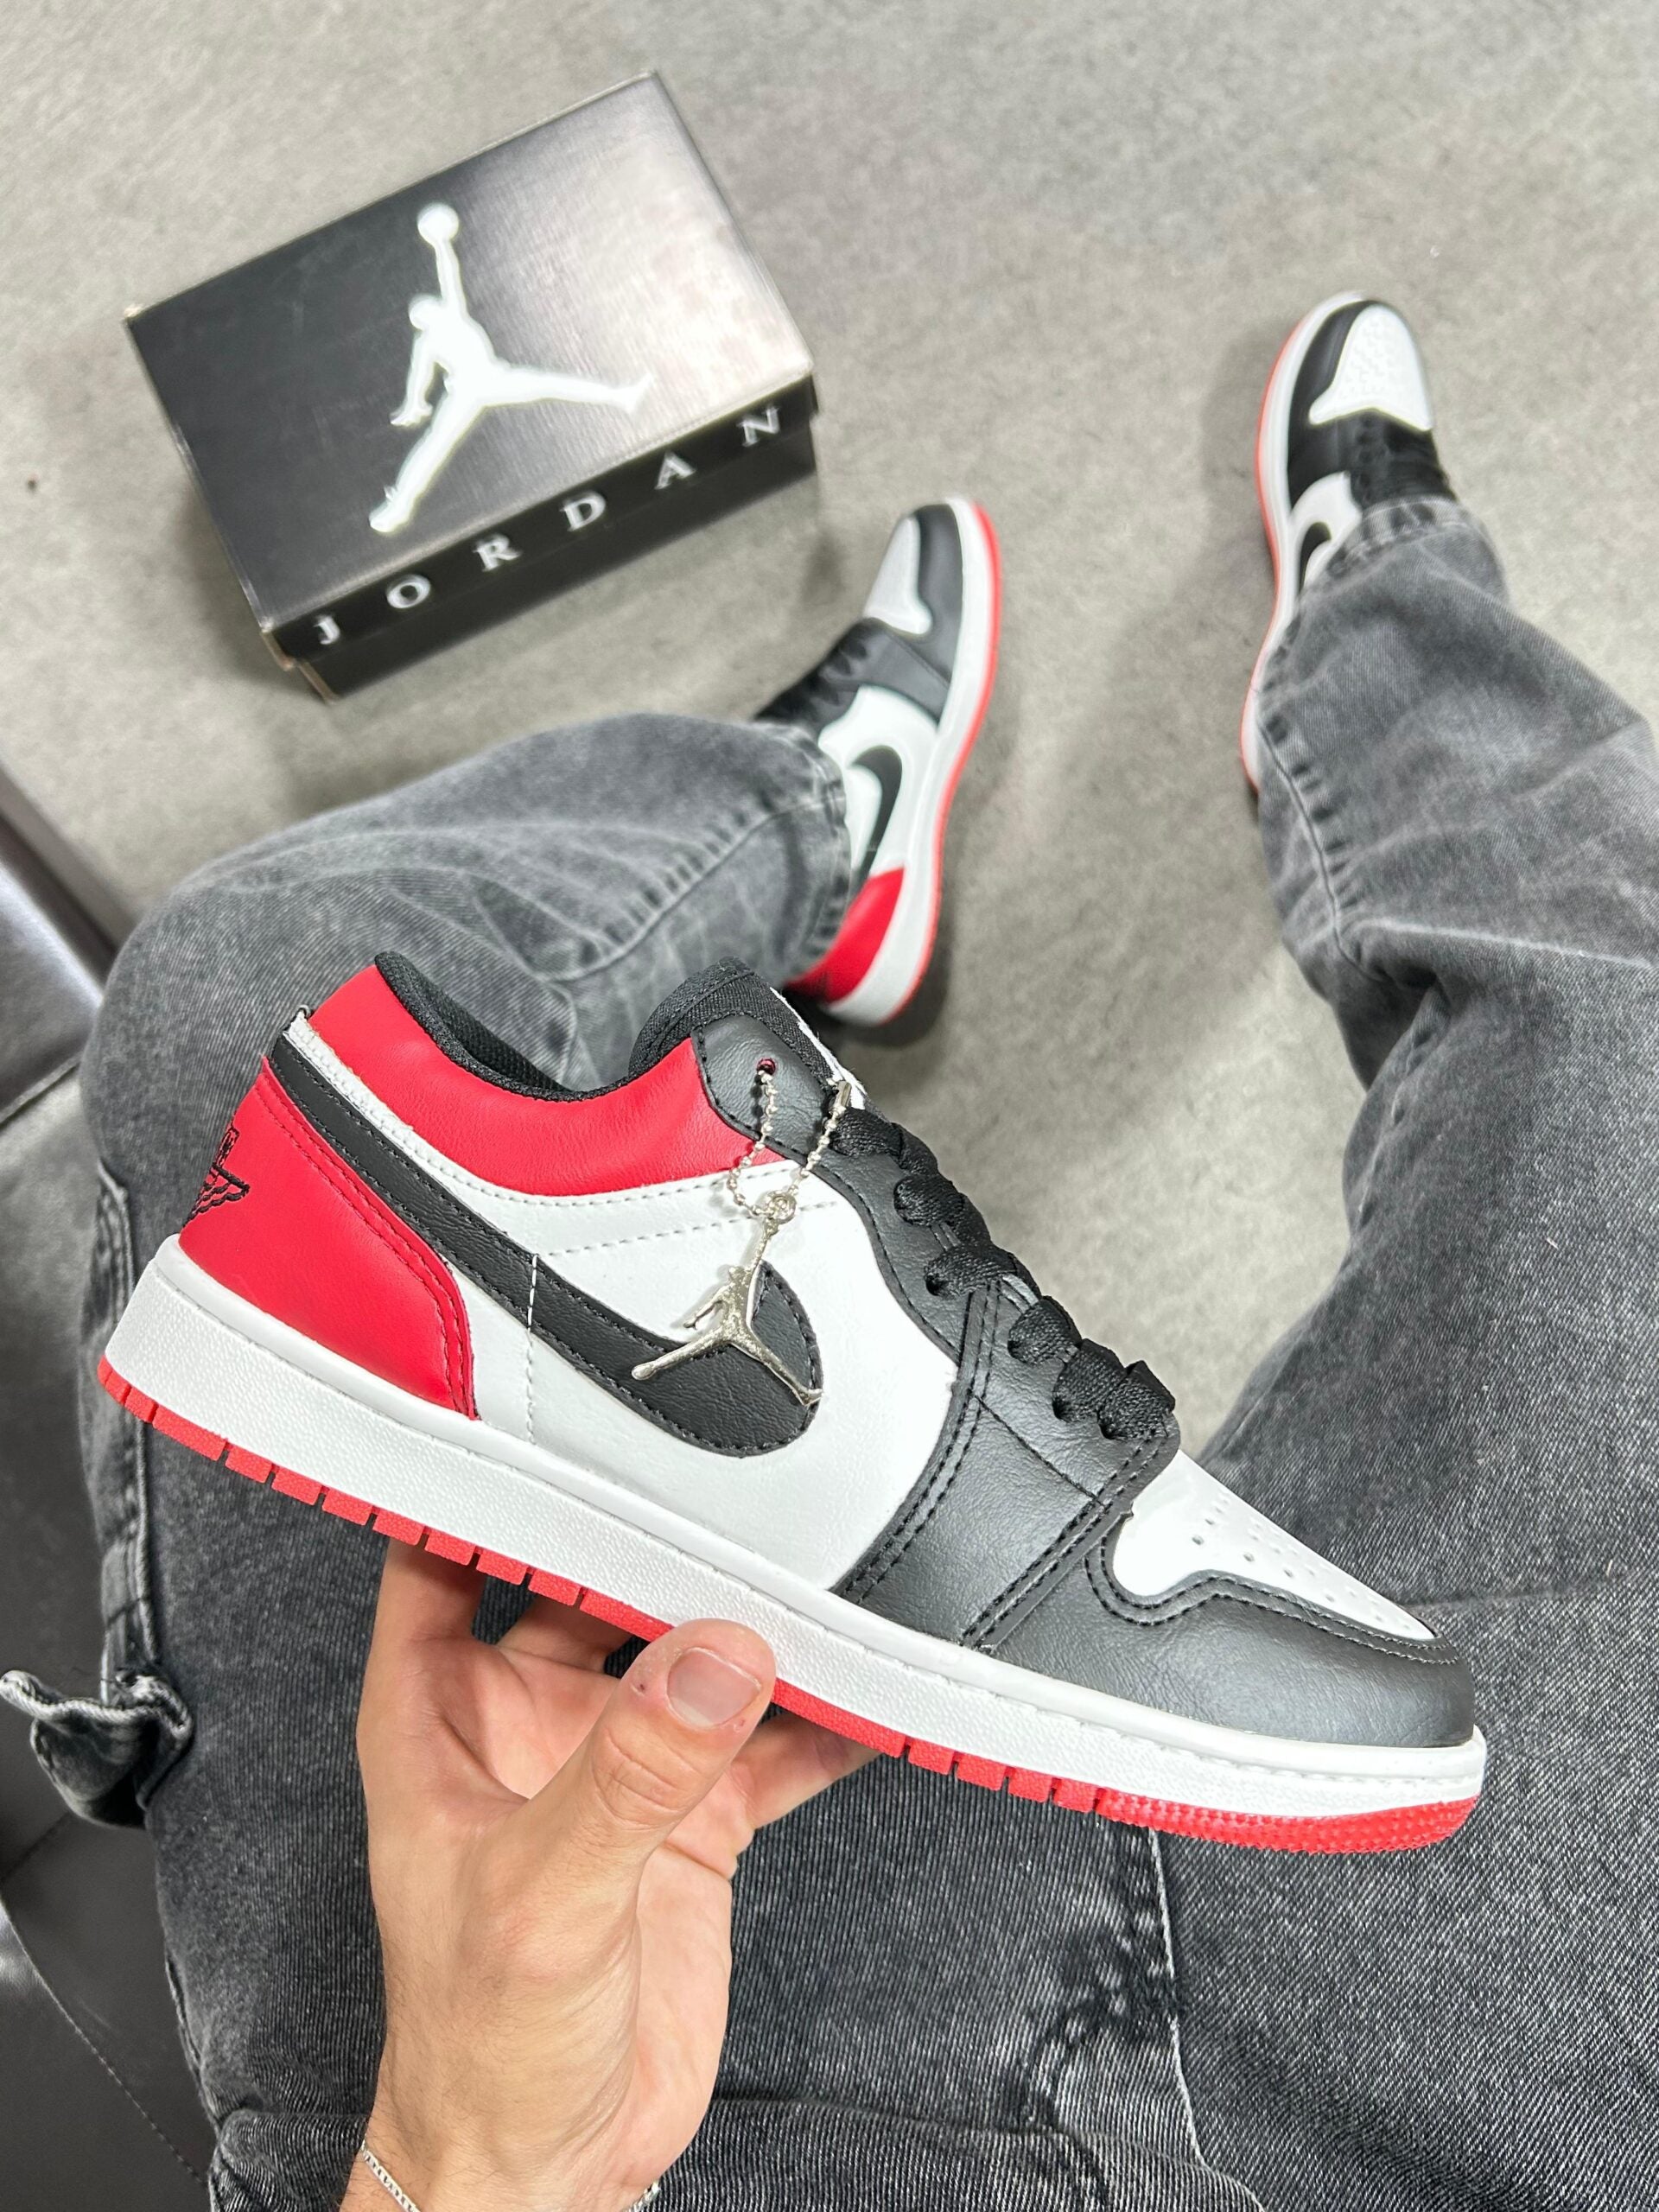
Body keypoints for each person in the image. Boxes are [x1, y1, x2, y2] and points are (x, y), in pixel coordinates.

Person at [5, 295, 1654, 2211]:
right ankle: (1377, 615)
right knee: (1613, 1026)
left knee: (249, 1011)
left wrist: (456, 2160)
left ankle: (830, 822)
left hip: (529, 2072)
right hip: (1476, 2094)